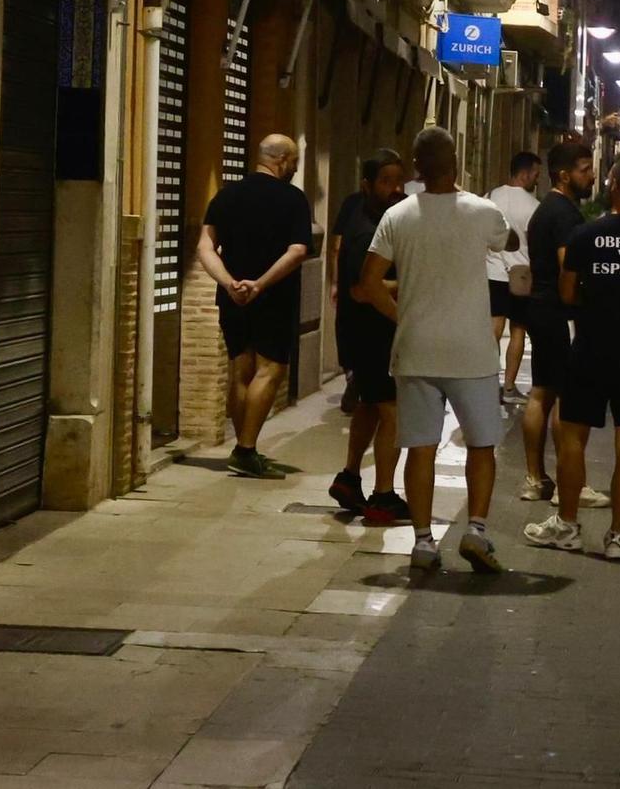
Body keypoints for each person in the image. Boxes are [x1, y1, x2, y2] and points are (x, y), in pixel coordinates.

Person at [361, 127, 517, 573]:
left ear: (415, 167)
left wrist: (402, 317)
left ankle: (424, 542)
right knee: (482, 444)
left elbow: (369, 281)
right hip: (471, 350)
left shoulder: (398, 216)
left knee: (421, 448)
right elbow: (508, 242)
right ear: (455, 163)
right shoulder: (482, 211)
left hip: (416, 349)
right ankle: (476, 532)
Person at [525, 153, 620, 560]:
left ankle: (568, 525)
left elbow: (567, 292)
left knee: (573, 439)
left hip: (590, 349)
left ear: (615, 184)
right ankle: (617, 537)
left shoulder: (586, 235)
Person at [196, 135, 311, 480]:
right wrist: (259, 284)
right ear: (283, 160)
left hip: (233, 298)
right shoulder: (293, 199)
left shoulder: (226, 195)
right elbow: (297, 251)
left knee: (240, 370)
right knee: (270, 370)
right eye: (294, 162)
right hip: (273, 297)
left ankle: (244, 447)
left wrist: (229, 283)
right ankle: (246, 451)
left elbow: (205, 247)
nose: (294, 168)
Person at [519, 142, 608, 511]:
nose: (592, 176)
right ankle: (570, 484)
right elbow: (568, 266)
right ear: (564, 175)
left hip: (539, 307)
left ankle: (534, 479)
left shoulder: (545, 209)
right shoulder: (565, 214)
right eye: (585, 169)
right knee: (566, 397)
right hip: (559, 312)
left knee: (541, 392)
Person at [328, 149, 410, 524]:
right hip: (372, 333)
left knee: (369, 404)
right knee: (393, 411)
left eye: (399, 180)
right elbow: (363, 289)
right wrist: (404, 285)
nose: (396, 188)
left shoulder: (366, 212)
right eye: (386, 181)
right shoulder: (367, 230)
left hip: (363, 332)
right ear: (367, 184)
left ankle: (349, 478)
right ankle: (383, 496)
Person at [489, 151, 543, 405]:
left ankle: (487, 384)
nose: (537, 179)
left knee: (493, 330)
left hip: (492, 272)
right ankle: (509, 388)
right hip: (521, 276)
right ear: (524, 174)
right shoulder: (534, 207)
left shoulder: (490, 198)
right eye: (535, 174)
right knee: (518, 330)